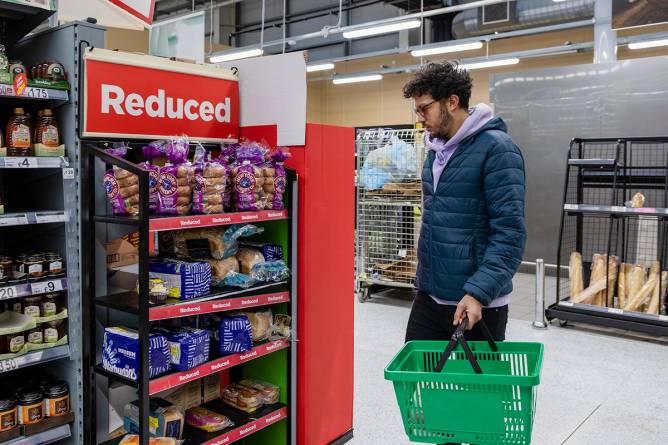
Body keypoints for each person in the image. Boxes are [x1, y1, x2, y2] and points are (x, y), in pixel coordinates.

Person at [403, 61, 526, 349]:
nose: (420, 117)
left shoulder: (497, 149)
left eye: (425, 108)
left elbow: (509, 233)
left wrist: (478, 292)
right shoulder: (436, 150)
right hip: (430, 295)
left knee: (474, 392)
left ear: (452, 102)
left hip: (474, 303)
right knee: (418, 384)